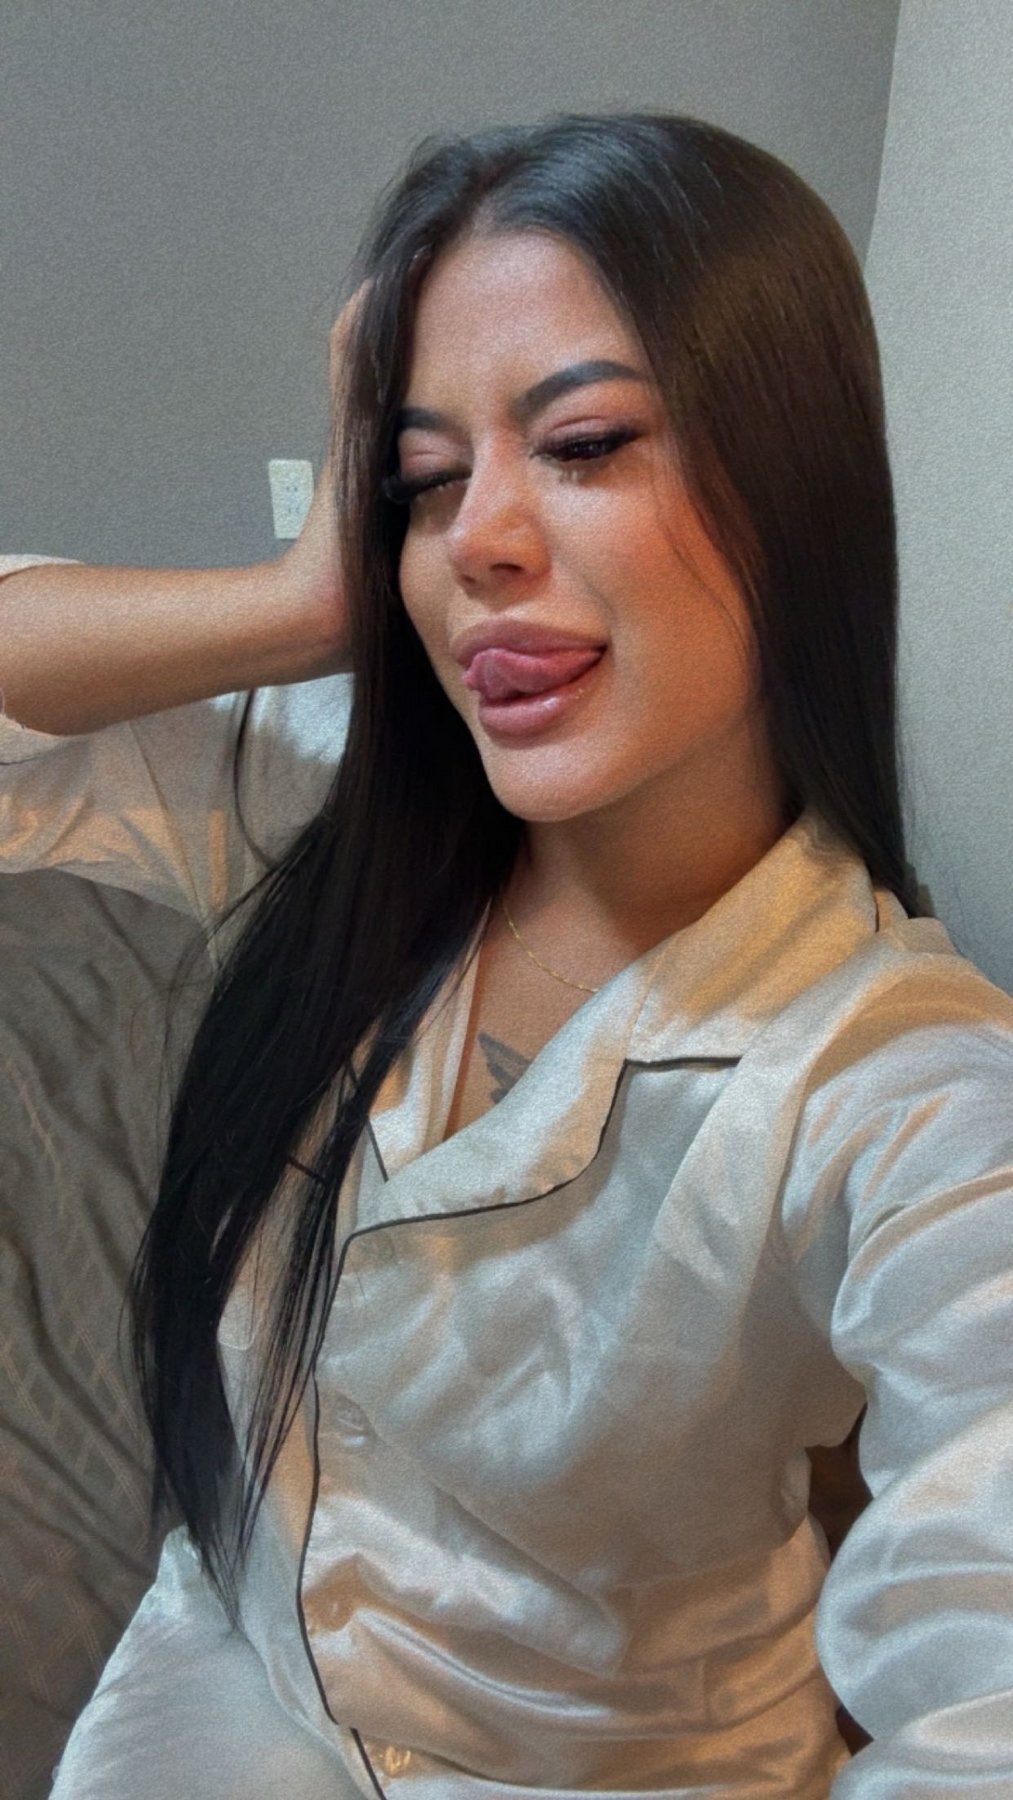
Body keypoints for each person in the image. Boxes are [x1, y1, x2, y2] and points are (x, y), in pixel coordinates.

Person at [1, 110, 1011, 1799]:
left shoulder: (900, 1089)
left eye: (586, 443)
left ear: (797, 484)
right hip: (230, 1692)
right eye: (421, 479)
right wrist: (304, 598)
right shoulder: (326, 806)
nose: (476, 538)